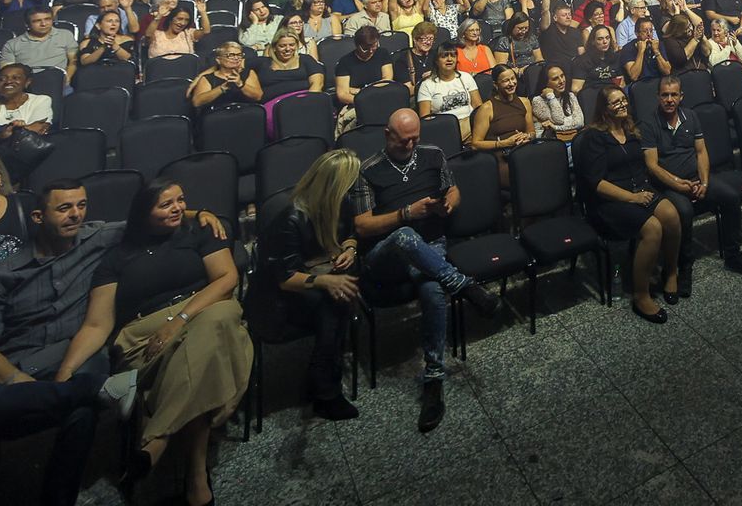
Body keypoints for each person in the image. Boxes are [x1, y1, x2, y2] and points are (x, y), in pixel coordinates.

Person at [0, 180, 224, 506]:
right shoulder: (3, 273)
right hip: (20, 363)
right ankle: (103, 390)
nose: (75, 215)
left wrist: (199, 212)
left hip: (80, 351)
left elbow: (152, 214)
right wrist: (18, 382)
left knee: (80, 412)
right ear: (38, 217)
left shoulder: (96, 237)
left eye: (81, 206)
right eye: (64, 208)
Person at [54, 178, 251, 506]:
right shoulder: (116, 258)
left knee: (217, 319)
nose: (176, 209)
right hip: (145, 334)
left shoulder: (199, 232)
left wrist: (180, 320)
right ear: (144, 212)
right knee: (212, 346)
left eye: (180, 201)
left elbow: (227, 279)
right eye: (166, 204)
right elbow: (97, 323)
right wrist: (64, 375)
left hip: (200, 311)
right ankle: (196, 480)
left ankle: (156, 439)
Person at [351, 110, 500, 434]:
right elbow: (362, 226)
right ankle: (465, 285)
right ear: (388, 135)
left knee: (433, 290)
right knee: (407, 236)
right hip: (386, 252)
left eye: (415, 137)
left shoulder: (432, 155)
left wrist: (449, 203)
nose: (411, 144)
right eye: (405, 139)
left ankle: (433, 378)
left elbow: (453, 190)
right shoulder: (367, 170)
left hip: (433, 246)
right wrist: (407, 213)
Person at [251, 148, 361, 421]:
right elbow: (285, 278)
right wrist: (325, 280)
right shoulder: (291, 217)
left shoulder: (340, 202)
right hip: (280, 296)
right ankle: (325, 390)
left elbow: (349, 234)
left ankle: (323, 372)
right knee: (333, 304)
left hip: (314, 276)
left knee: (339, 296)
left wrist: (350, 249)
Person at [639, 75, 742, 285]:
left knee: (731, 197)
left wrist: (704, 182)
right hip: (668, 186)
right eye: (665, 95)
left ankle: (733, 255)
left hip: (696, 178)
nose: (669, 99)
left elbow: (701, 152)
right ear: (658, 97)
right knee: (684, 211)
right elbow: (652, 165)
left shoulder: (691, 116)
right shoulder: (649, 123)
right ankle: (685, 264)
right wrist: (679, 184)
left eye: (674, 95)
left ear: (681, 96)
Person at [576, 87, 682, 322]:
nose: (622, 105)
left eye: (624, 100)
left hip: (640, 189)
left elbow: (641, 167)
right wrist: (631, 198)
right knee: (652, 228)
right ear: (604, 110)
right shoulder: (594, 137)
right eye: (616, 103)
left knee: (672, 215)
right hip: (610, 200)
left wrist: (642, 192)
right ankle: (641, 295)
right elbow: (596, 183)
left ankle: (671, 272)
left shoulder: (631, 130)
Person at [467, 64, 535, 186]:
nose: (511, 83)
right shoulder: (487, 108)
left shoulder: (525, 102)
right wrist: (504, 143)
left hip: (522, 150)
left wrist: (527, 137)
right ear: (495, 85)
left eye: (513, 79)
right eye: (505, 81)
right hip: (500, 155)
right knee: (522, 177)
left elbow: (532, 132)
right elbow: (475, 144)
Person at [414, 40, 480, 138]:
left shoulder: (466, 77)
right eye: (444, 56)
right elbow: (425, 119)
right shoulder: (427, 85)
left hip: (471, 126)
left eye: (453, 56)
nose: (449, 59)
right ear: (436, 61)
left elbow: (478, 106)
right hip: (444, 130)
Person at [0, 7, 78, 85]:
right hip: (27, 84)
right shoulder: (12, 44)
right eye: (37, 21)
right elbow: (7, 71)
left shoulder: (65, 35)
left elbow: (73, 61)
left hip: (57, 82)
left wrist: (67, 78)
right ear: (27, 24)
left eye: (47, 19)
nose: (43, 24)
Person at [188, 41, 264, 111]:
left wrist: (241, 84)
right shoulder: (208, 78)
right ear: (218, 60)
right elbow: (197, 102)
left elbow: (258, 96)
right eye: (230, 55)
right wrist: (222, 88)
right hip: (217, 117)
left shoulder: (249, 73)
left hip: (245, 114)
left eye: (239, 55)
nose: (236, 58)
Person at [530, 63, 584, 142]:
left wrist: (555, 127)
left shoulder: (570, 95)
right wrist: (551, 97)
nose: (561, 81)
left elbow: (580, 122)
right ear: (546, 82)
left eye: (562, 76)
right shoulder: (537, 101)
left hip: (572, 139)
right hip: (551, 143)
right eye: (555, 79)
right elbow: (559, 120)